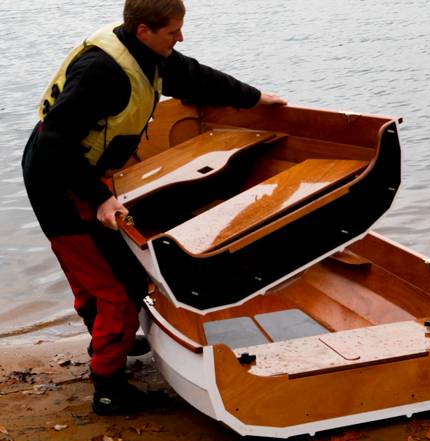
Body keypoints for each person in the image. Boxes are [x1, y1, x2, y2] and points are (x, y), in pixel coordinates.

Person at [21, 0, 286, 415]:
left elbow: (196, 77)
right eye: (172, 32)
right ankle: (108, 387)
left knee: (101, 272)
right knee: (120, 287)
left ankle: (109, 342)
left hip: (75, 172)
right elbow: (56, 143)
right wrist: (99, 197)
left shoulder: (147, 52)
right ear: (144, 30)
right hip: (59, 181)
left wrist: (255, 98)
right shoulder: (102, 72)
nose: (180, 38)